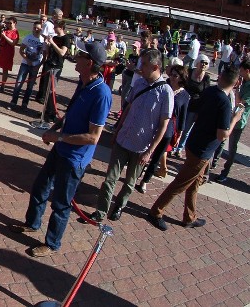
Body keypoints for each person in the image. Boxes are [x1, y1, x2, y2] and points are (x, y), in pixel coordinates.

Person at [9, 41, 112, 257]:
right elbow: (70, 114)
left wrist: (58, 136)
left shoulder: (101, 93)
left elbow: (93, 137)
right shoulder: (83, 83)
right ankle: (32, 223)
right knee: (40, 187)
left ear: (89, 63)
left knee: (61, 203)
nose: (76, 55)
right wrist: (54, 129)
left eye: (81, 54)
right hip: (61, 148)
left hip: (74, 159)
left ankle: (52, 243)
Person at [148, 66, 243, 231]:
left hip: (197, 144)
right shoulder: (225, 103)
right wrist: (235, 119)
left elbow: (197, 110)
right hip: (202, 150)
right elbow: (222, 135)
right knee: (181, 183)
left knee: (195, 182)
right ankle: (156, 211)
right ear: (237, 82)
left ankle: (189, 217)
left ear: (220, 77)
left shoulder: (211, 91)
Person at [89, 49, 172, 222]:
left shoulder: (166, 92)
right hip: (123, 139)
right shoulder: (140, 83)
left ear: (155, 66)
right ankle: (101, 211)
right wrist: (117, 129)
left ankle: (119, 205)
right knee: (110, 178)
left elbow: (163, 126)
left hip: (141, 147)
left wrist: (150, 151)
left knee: (129, 183)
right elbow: (127, 108)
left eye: (145, 64)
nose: (140, 67)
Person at [137, 64, 190, 192]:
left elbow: (182, 117)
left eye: (175, 76)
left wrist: (180, 134)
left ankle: (145, 180)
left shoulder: (184, 95)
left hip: (168, 128)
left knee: (157, 156)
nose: (171, 77)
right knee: (143, 150)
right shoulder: (163, 86)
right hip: (153, 122)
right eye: (171, 74)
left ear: (181, 78)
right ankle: (136, 174)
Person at [214, 59, 250, 183]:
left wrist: (237, 89)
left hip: (239, 121)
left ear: (247, 71)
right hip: (230, 116)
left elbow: (241, 102)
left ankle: (225, 172)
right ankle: (213, 162)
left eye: (241, 71)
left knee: (231, 148)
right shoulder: (244, 82)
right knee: (220, 140)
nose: (240, 73)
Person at [172, 55, 211, 158]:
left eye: (206, 63)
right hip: (183, 103)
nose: (203, 64)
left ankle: (179, 148)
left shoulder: (206, 78)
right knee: (177, 125)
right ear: (197, 62)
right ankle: (172, 145)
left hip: (195, 107)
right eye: (202, 62)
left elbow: (206, 94)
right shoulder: (189, 72)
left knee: (186, 129)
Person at [35, 20, 72, 120]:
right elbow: (49, 51)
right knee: (46, 89)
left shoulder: (66, 39)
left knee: (51, 90)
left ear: (61, 27)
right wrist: (47, 44)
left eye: (55, 27)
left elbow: (62, 53)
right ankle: (46, 111)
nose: (54, 29)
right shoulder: (54, 37)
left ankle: (52, 113)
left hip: (56, 66)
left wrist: (52, 43)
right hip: (49, 64)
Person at [10, 22, 43, 110]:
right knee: (19, 83)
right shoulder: (28, 38)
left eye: (38, 28)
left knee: (30, 86)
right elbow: (21, 50)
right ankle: (14, 101)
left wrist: (39, 65)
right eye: (35, 28)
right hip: (25, 64)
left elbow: (45, 55)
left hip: (35, 65)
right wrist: (27, 59)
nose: (36, 30)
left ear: (41, 29)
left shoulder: (43, 40)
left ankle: (25, 103)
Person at [0, 17, 19, 91]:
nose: (9, 24)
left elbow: (13, 43)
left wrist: (5, 36)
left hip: (8, 53)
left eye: (10, 23)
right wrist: (0, 24)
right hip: (1, 52)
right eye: (8, 23)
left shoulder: (15, 32)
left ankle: (3, 85)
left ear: (15, 23)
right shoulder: (5, 29)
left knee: (5, 70)